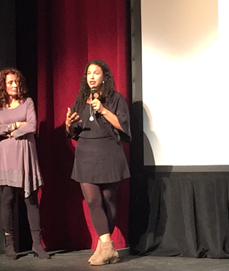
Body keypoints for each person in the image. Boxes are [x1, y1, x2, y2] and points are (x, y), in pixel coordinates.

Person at [65, 60, 131, 266]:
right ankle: (107, 246)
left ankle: (104, 247)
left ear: (105, 77)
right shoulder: (81, 99)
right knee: (93, 200)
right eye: (88, 73)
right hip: (86, 153)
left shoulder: (116, 98)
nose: (92, 76)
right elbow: (74, 131)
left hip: (109, 152)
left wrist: (102, 109)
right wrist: (68, 126)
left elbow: (123, 125)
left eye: (96, 73)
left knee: (108, 199)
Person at [0, 68, 50, 260]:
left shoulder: (27, 102)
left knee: (30, 200)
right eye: (10, 83)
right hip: (6, 157)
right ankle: (9, 244)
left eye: (16, 82)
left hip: (25, 156)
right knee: (8, 199)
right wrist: (16, 125)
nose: (14, 85)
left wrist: (7, 130)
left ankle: (37, 244)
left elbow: (32, 125)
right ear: (3, 86)